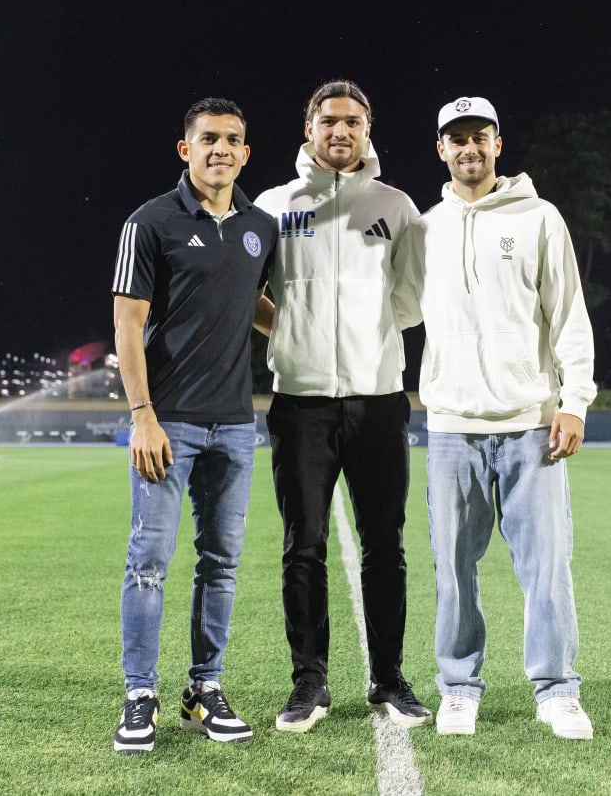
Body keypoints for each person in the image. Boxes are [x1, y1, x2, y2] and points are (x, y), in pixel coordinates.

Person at [392, 96, 597, 739]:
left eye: (479, 136)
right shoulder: (425, 228)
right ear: (441, 150)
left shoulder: (539, 218)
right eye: (456, 139)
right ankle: (459, 688)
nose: (468, 149)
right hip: (452, 425)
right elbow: (394, 313)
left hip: (530, 423)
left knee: (547, 567)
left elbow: (568, 315)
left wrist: (573, 401)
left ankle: (557, 690)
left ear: (498, 143)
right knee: (454, 568)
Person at [252, 80, 431, 733]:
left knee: (386, 544)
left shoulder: (396, 205)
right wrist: (295, 332)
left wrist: (367, 337)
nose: (341, 131)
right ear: (308, 127)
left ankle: (389, 678)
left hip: (379, 400)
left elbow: (410, 300)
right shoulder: (273, 205)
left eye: (353, 121)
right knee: (304, 545)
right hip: (300, 402)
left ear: (367, 128)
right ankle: (310, 684)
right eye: (329, 120)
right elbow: (248, 294)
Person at [110, 97, 277, 754]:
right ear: (185, 149)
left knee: (222, 564)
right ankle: (139, 695)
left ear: (245, 152)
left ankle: (203, 689)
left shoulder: (262, 226)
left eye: (233, 140)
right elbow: (127, 322)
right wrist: (142, 415)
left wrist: (306, 335)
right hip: (168, 423)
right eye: (208, 138)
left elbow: (257, 305)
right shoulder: (150, 222)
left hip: (236, 424)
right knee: (148, 562)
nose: (221, 150)